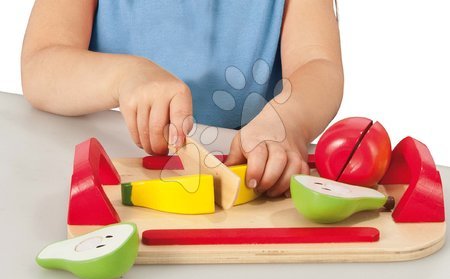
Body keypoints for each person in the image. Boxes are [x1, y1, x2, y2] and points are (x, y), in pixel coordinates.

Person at [21, 0, 343, 197]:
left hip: (252, 184)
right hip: (110, 186)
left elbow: (319, 65)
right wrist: (123, 77)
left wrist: (290, 119)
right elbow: (40, 63)